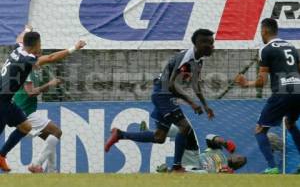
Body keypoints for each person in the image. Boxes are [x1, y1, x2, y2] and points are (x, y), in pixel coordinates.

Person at [105, 29, 215, 172]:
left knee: (159, 137)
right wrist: (192, 103)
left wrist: (205, 105)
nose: (211, 46)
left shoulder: (198, 61)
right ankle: (177, 167)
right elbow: (171, 85)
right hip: (163, 94)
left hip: (165, 94)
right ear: (197, 43)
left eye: (212, 42)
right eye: (207, 42)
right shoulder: (186, 58)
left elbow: (195, 84)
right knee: (185, 127)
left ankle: (120, 134)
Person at [0, 26, 86, 172]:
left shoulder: (18, 49)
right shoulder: (27, 59)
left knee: (26, 127)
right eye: (40, 44)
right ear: (36, 45)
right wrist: (74, 48)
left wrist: (27, 29)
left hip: (7, 101)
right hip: (2, 102)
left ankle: (2, 155)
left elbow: (19, 39)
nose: (41, 46)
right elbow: (51, 58)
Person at [235, 18, 300, 174]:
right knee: (290, 123)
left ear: (264, 30)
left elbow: (261, 82)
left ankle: (272, 167)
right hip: (298, 90)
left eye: (260, 31)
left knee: (259, 130)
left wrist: (246, 84)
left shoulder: (266, 49)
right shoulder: (291, 47)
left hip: (282, 92)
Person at [140, 121, 239, 173]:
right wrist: (224, 143)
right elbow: (209, 137)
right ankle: (151, 133)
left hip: (196, 170)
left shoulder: (228, 172)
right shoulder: (218, 150)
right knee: (186, 129)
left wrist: (221, 174)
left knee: (204, 174)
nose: (239, 160)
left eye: (240, 162)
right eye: (239, 158)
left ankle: (169, 172)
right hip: (193, 157)